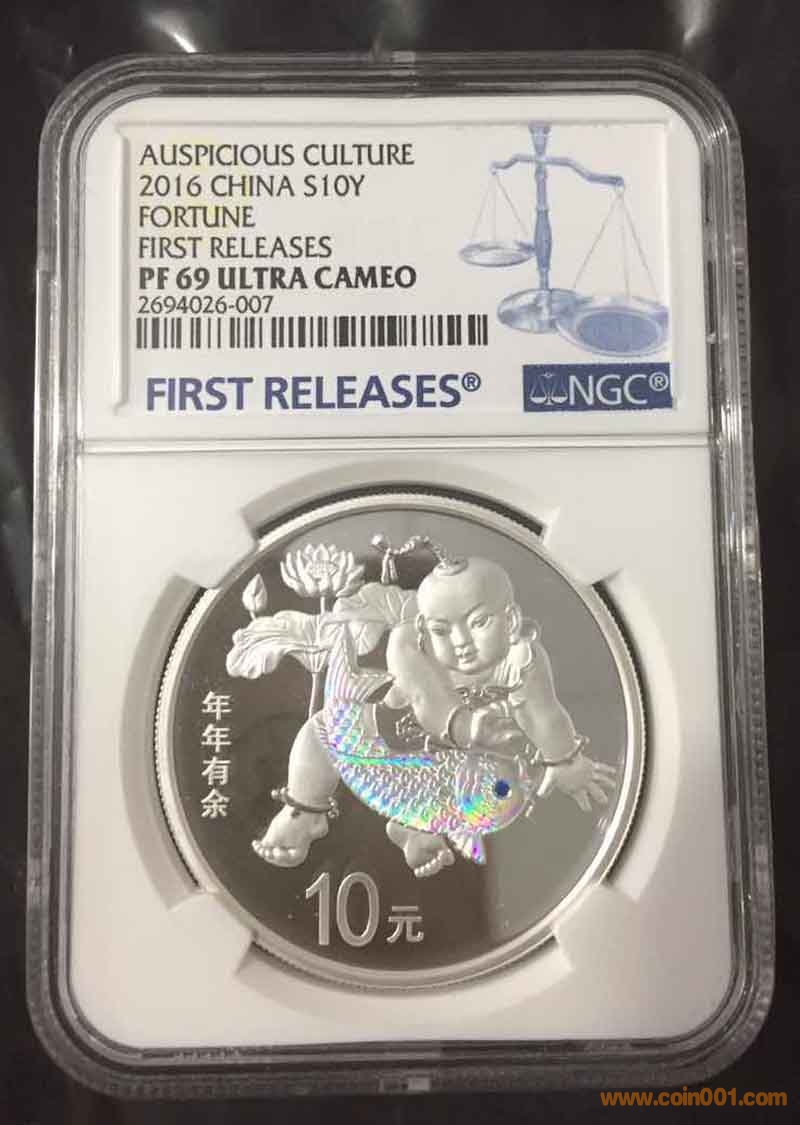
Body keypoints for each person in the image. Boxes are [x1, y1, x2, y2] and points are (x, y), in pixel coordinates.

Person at [252, 549, 615, 876]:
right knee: (319, 732)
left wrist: (563, 760)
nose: (461, 643)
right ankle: (304, 809)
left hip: (469, 763)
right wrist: (464, 725)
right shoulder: (407, 644)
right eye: (442, 630)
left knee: (494, 787)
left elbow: (544, 714)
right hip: (395, 732)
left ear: (511, 619)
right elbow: (427, 700)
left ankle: (417, 826)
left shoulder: (523, 658)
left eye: (479, 623)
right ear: (424, 628)